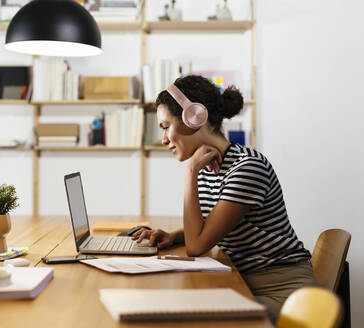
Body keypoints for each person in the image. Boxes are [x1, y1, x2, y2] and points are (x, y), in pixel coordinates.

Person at [131, 75, 316, 323]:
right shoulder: (211, 166)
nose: (163, 138)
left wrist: (190, 173)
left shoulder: (247, 168)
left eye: (165, 126)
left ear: (194, 117)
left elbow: (197, 247)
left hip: (282, 294)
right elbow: (208, 228)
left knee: (184, 315)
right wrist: (174, 236)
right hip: (244, 281)